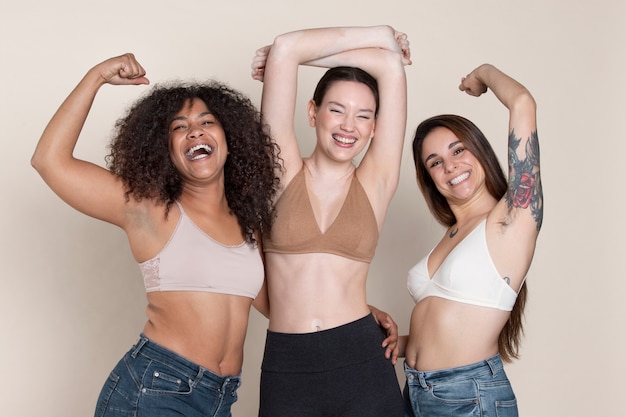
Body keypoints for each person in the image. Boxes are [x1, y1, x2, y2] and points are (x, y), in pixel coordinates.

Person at [31, 53, 280, 417]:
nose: (194, 131)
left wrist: (356, 311)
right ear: (166, 151)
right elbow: (49, 161)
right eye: (179, 127)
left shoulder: (247, 225)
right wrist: (96, 76)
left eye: (207, 121)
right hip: (155, 392)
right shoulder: (149, 210)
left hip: (221, 398)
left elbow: (282, 306)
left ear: (231, 139)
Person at [250, 26, 411, 417]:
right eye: (336, 109)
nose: (348, 126)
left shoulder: (376, 182)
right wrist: (380, 34)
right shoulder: (280, 171)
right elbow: (287, 48)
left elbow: (392, 65)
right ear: (313, 112)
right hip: (287, 366)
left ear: (375, 128)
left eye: (363, 116)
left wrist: (388, 43)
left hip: (361, 361)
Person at [399, 64, 543, 417]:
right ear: (429, 177)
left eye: (459, 150)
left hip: (468, 396)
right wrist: (399, 342)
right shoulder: (450, 235)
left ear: (479, 150)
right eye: (435, 162)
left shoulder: (511, 218)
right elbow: (449, 327)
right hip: (416, 391)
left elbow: (523, 102)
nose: (450, 166)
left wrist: (485, 73)